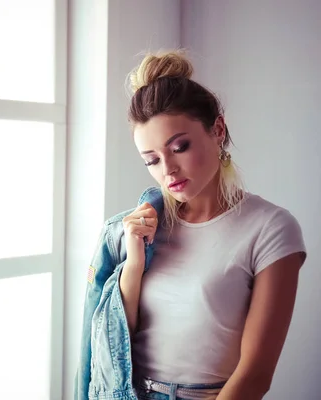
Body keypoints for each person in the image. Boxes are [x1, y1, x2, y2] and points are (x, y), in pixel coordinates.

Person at [121, 50, 307, 400]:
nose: (167, 170)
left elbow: (255, 375)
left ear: (217, 129)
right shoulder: (147, 225)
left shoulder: (271, 228)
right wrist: (134, 263)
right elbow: (118, 335)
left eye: (179, 147)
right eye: (152, 160)